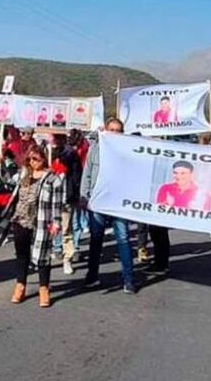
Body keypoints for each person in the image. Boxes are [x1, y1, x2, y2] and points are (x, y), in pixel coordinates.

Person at [80, 117, 136, 294]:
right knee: (96, 239)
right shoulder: (95, 149)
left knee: (123, 238)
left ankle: (128, 279)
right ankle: (92, 275)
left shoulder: (128, 151)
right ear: (105, 130)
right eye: (111, 129)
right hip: (98, 201)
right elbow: (87, 172)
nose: (114, 133)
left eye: (118, 130)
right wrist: (84, 196)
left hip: (119, 202)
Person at [9, 145, 64, 307]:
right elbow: (7, 181)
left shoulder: (53, 179)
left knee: (42, 256)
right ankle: (20, 285)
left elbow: (57, 203)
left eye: (36, 158)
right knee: (21, 254)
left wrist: (56, 222)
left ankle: (43, 288)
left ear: (43, 158)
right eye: (30, 159)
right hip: (21, 219)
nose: (33, 162)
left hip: (42, 220)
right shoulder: (24, 175)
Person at [50, 133, 83, 274]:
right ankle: (45, 255)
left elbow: (77, 176)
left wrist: (75, 195)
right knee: (47, 229)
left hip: (64, 197)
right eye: (55, 137)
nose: (56, 140)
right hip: (48, 198)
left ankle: (67, 259)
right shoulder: (44, 151)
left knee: (66, 229)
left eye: (60, 137)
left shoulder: (70, 154)